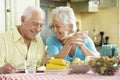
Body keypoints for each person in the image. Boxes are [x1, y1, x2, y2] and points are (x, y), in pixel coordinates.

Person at [0, 6, 46, 74]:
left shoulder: (39, 42)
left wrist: (46, 63)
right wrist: (1, 70)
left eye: (41, 26)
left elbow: (41, 67)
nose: (38, 29)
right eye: (35, 24)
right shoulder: (3, 39)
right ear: (23, 20)